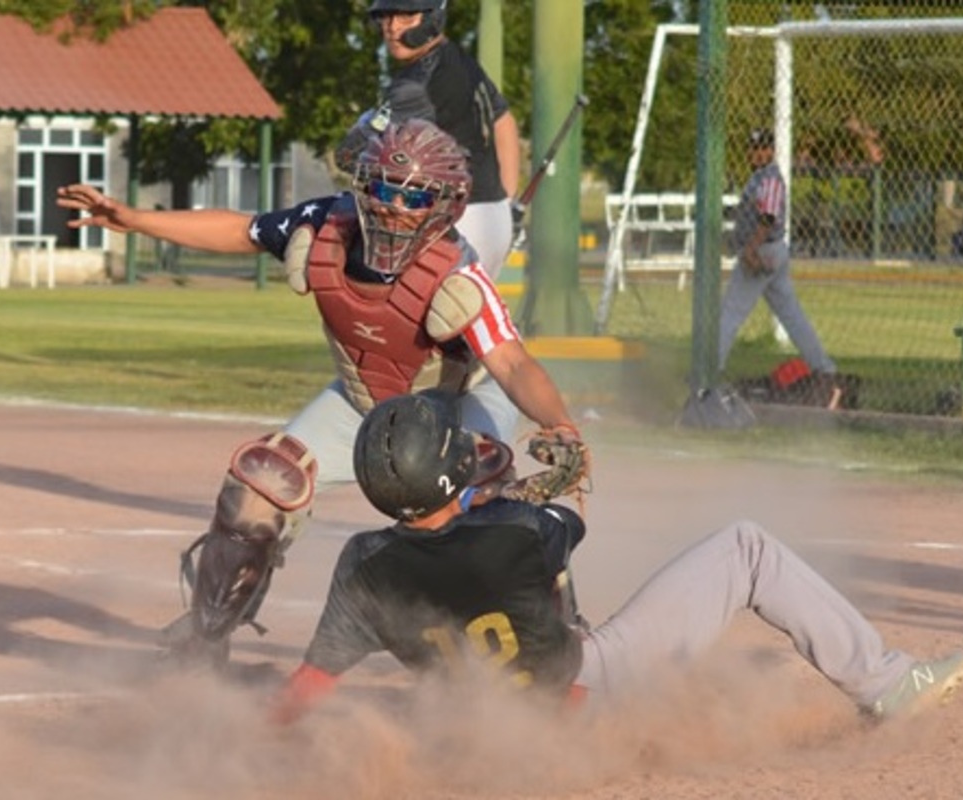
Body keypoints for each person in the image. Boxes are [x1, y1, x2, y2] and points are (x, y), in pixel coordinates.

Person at [56, 119, 581, 666]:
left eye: (415, 197)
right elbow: (240, 230)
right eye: (382, 188)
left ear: (446, 206)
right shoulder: (325, 225)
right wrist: (133, 218)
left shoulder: (458, 273)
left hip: (455, 406)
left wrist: (561, 426)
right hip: (366, 401)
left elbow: (512, 363)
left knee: (492, 517)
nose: (394, 208)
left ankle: (556, 644)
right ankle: (205, 643)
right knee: (261, 484)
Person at [271, 390, 963, 726]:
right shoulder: (512, 531)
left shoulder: (362, 566)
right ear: (452, 471)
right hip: (587, 698)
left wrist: (262, 744)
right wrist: (558, 463)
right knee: (747, 548)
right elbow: (570, 501)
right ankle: (886, 684)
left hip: (479, 731)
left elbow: (308, 686)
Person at [362, 0, 520, 282]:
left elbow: (357, 153)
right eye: (385, 17)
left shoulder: (415, 83)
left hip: (453, 224)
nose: (392, 27)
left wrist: (364, 124)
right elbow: (504, 121)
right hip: (493, 217)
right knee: (472, 309)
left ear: (433, 17)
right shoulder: (461, 61)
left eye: (406, 16)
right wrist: (505, 200)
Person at [718, 128, 836, 377]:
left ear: (771, 150)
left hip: (763, 250)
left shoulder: (769, 178)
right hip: (771, 249)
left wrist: (751, 249)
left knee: (731, 312)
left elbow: (768, 217)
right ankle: (824, 368)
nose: (757, 153)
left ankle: (710, 369)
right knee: (792, 315)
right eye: (754, 148)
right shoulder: (760, 177)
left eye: (763, 148)